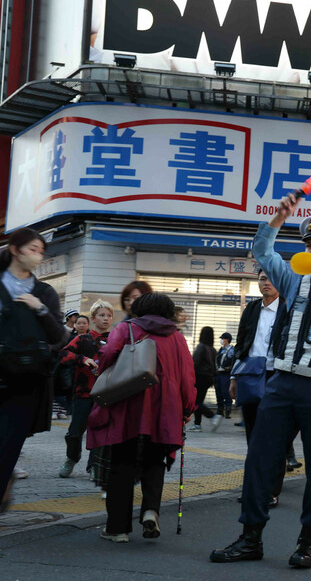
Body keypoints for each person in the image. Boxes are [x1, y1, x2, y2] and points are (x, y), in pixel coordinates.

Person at [210, 201, 311, 569]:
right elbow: (262, 250)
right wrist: (279, 218)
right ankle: (250, 538)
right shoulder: (291, 279)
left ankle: (309, 541)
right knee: (260, 461)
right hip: (280, 383)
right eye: (309, 246)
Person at [87, 293, 197, 542]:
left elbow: (107, 357)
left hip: (129, 405)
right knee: (154, 462)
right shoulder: (177, 337)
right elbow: (188, 377)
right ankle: (150, 510)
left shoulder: (126, 328)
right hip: (166, 409)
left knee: (122, 463)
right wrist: (188, 408)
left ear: (139, 308)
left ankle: (118, 529)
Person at [0, 228, 64, 513]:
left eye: (41, 250)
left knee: (8, 447)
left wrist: (40, 309)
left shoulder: (45, 292)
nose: (39, 256)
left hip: (25, 382)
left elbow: (59, 337)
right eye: (33, 249)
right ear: (15, 249)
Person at [229, 268, 295, 506]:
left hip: (277, 375)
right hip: (250, 374)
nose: (265, 282)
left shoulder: (289, 309)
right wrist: (234, 377)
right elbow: (241, 342)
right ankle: (252, 489)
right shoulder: (252, 309)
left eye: (270, 278)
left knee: (275, 437)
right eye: (261, 279)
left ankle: (271, 491)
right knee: (253, 437)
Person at [58, 300, 114, 478]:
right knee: (75, 433)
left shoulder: (116, 339)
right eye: (102, 315)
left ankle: (94, 466)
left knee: (99, 433)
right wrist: (82, 359)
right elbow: (63, 355)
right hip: (83, 393)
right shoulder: (83, 338)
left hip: (106, 395)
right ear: (93, 318)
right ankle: (72, 458)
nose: (106, 319)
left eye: (109, 315)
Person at [191, 326, 222, 432]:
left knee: (195, 401)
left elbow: (195, 363)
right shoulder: (213, 349)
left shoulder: (201, 347)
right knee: (199, 400)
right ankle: (197, 425)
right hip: (208, 378)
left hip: (199, 377)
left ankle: (212, 417)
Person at [215, 332, 235, 418]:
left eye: (222, 339)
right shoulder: (221, 349)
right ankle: (220, 410)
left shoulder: (231, 350)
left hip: (226, 374)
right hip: (218, 373)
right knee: (218, 391)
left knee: (226, 391)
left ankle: (227, 411)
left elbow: (233, 362)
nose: (221, 340)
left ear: (227, 340)